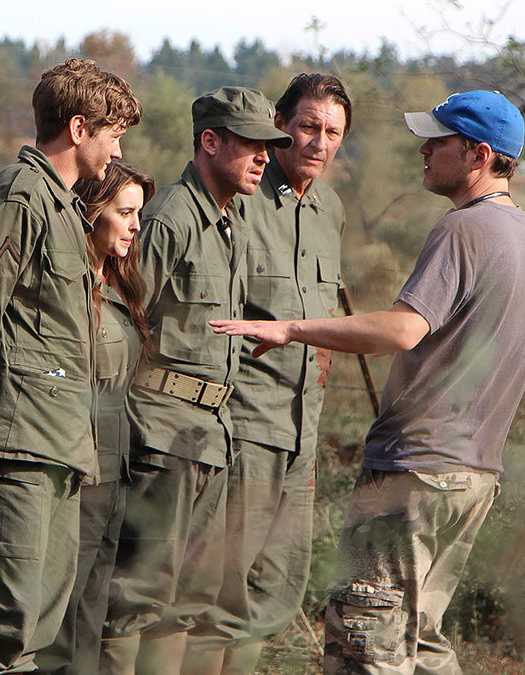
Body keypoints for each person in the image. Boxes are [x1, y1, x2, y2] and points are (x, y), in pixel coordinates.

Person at [212, 90, 525, 674]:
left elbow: (403, 329)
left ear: (477, 155)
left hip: (414, 473)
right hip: (475, 475)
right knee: (421, 643)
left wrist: (292, 328)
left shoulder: (464, 231)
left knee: (367, 647)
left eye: (438, 141)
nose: (424, 151)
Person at [0, 58, 142, 675]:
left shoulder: (67, 212)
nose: (118, 147)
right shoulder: (19, 196)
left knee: (32, 636)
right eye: (113, 133)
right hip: (14, 442)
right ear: (79, 128)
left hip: (57, 445)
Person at [102, 87, 292, 675]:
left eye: (270, 147)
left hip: (208, 438)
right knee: (136, 599)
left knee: (186, 604)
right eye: (252, 145)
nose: (265, 158)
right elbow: (118, 323)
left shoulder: (228, 220)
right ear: (210, 142)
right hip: (160, 438)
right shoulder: (169, 218)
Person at [202, 74, 351, 675]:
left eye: (333, 132)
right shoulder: (238, 198)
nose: (318, 142)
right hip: (242, 426)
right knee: (218, 588)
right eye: (308, 126)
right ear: (281, 126)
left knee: (278, 589)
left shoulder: (328, 209)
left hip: (301, 430)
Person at [38, 162, 156, 675]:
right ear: (90, 213)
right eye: (125, 213)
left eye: (139, 215)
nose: (134, 226)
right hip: (75, 471)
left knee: (91, 613)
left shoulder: (122, 285)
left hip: (115, 469)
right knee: (59, 621)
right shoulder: (67, 289)